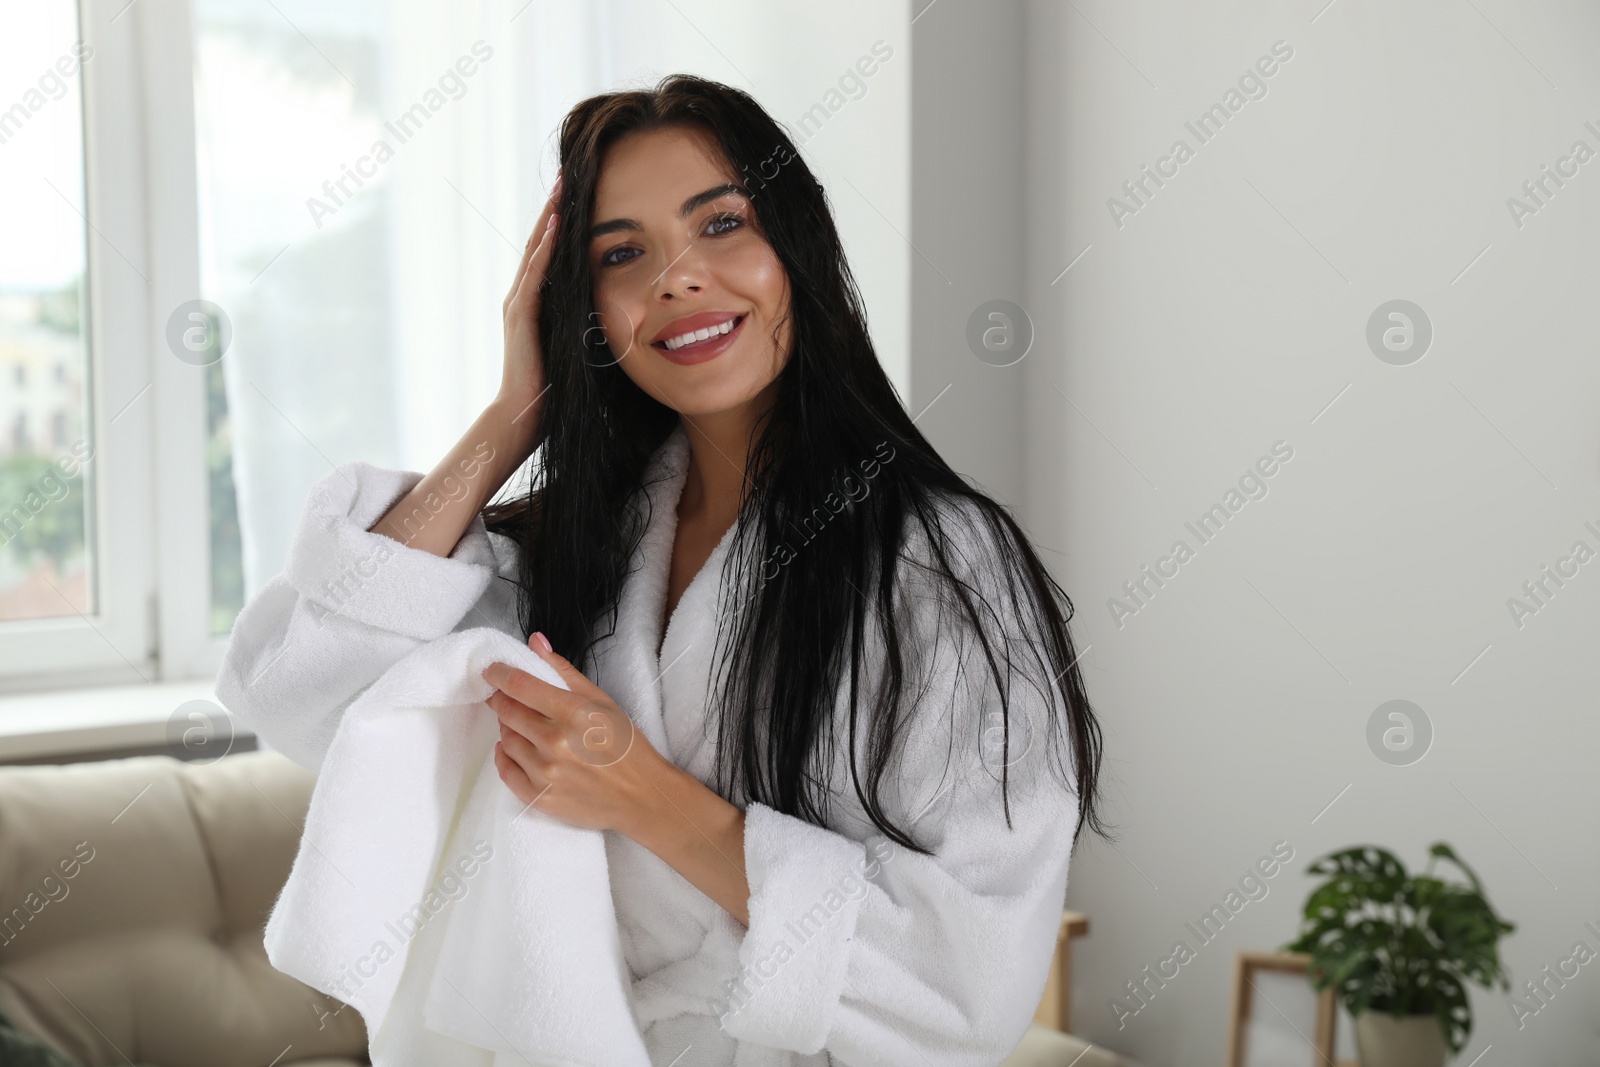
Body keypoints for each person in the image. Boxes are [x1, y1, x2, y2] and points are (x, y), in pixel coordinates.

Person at [219, 73, 1105, 1066]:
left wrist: (641, 788)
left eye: (720, 224)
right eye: (622, 254)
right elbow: (309, 690)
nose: (677, 278)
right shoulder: (580, 551)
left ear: (795, 251)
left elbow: (963, 982)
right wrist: (517, 414)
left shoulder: (939, 563)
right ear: (584, 308)